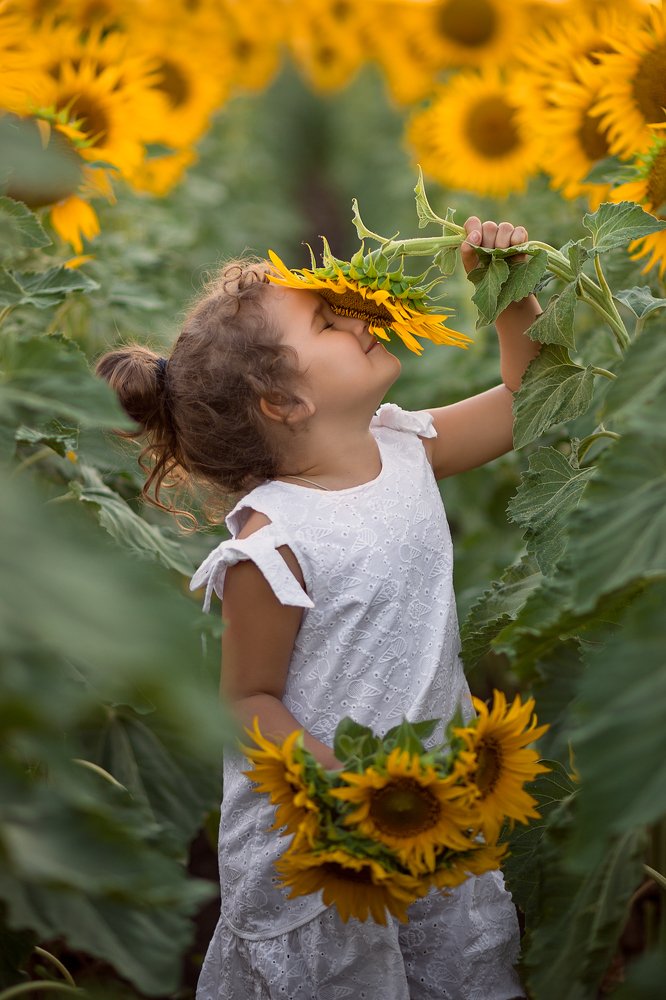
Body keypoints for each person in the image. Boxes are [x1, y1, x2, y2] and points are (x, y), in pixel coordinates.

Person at [96, 216, 541, 1000]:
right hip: (323, 836)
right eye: (329, 322)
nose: (360, 315)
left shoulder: (406, 450)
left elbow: (523, 397)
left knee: (452, 970)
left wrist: (506, 292)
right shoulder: (275, 542)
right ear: (284, 401)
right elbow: (247, 698)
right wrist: (343, 790)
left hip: (431, 797)